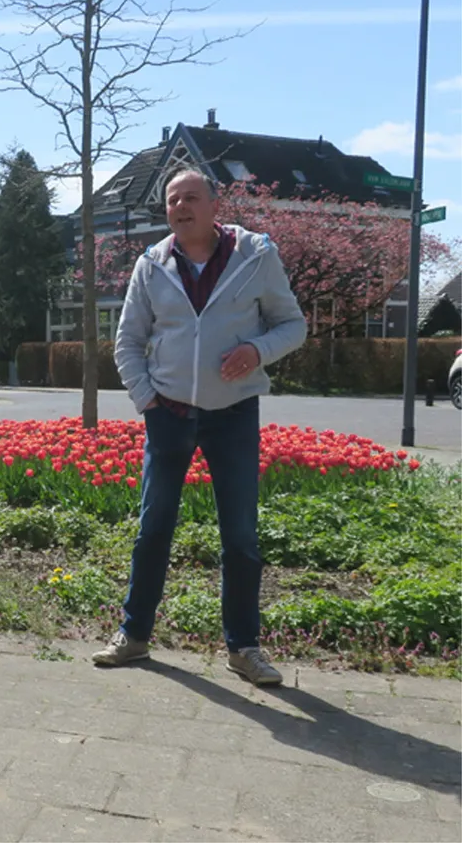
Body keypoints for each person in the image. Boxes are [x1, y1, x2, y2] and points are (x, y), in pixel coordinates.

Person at [95, 166, 306, 686]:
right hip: (169, 414)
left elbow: (293, 324)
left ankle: (244, 649)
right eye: (172, 201)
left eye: (191, 197)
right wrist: (148, 400)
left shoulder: (256, 257)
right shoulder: (151, 265)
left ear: (215, 205)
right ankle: (134, 635)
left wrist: (257, 350)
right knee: (153, 529)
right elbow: (127, 343)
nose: (181, 207)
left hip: (233, 414)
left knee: (240, 536)